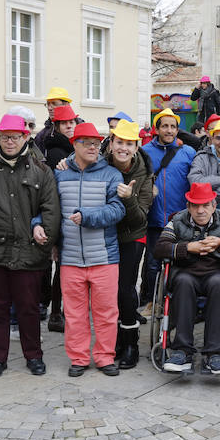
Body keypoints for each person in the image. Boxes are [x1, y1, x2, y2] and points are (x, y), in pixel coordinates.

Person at [0, 114, 61, 378]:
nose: (9, 142)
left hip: (30, 251)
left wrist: (44, 243)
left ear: (25, 137)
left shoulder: (41, 171)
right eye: (4, 137)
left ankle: (34, 355)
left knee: (28, 307)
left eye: (15, 137)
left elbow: (51, 209)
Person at [153, 183, 220, 374]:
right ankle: (182, 351)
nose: (200, 211)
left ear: (214, 206)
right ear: (188, 206)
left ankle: (215, 353)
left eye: (205, 205)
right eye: (195, 205)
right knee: (183, 283)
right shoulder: (176, 221)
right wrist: (187, 248)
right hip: (186, 272)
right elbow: (159, 249)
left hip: (216, 273)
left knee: (219, 284)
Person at [53, 123, 126, 377]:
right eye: (87, 142)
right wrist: (39, 225)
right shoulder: (59, 173)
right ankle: (79, 358)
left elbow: (118, 210)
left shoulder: (111, 175)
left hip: (104, 257)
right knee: (74, 314)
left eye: (97, 142)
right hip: (70, 257)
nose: (94, 147)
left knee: (107, 312)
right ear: (75, 144)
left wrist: (88, 216)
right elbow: (49, 209)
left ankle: (105, 357)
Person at [104, 120, 155, 369]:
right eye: (119, 142)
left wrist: (129, 198)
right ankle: (111, 340)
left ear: (137, 146)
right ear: (111, 143)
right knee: (106, 291)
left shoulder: (144, 171)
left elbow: (140, 217)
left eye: (129, 143)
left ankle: (130, 343)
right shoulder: (99, 164)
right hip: (103, 234)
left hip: (132, 235)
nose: (123, 148)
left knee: (124, 288)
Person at [140, 109, 197, 319]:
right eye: (165, 126)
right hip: (154, 218)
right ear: (157, 129)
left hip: (180, 218)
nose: (169, 130)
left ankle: (176, 302)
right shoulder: (145, 151)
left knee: (182, 261)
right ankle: (151, 302)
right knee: (153, 263)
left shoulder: (188, 152)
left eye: (173, 126)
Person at [41, 104, 78, 333]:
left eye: (72, 122)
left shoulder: (70, 146)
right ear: (57, 126)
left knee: (65, 269)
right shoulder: (57, 151)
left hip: (70, 215)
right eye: (65, 123)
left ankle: (61, 312)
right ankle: (56, 313)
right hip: (61, 216)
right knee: (63, 269)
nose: (70, 126)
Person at [33, 86, 74, 155]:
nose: (49, 108)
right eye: (48, 104)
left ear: (66, 105)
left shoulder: (81, 127)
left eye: (54, 104)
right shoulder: (41, 136)